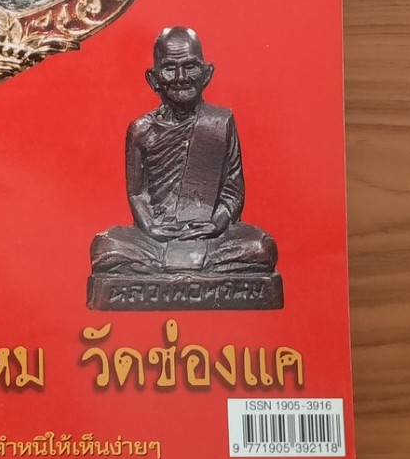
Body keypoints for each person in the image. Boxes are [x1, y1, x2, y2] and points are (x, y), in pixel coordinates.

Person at [91, 27, 278, 275]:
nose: (181, 77)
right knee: (105, 248)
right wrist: (151, 228)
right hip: (155, 239)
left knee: (261, 247)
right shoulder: (141, 130)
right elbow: (137, 193)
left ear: (207, 74)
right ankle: (180, 264)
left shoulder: (219, 122)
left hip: (209, 236)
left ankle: (174, 266)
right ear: (153, 79)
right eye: (170, 68)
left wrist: (217, 224)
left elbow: (233, 191)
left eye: (190, 66)